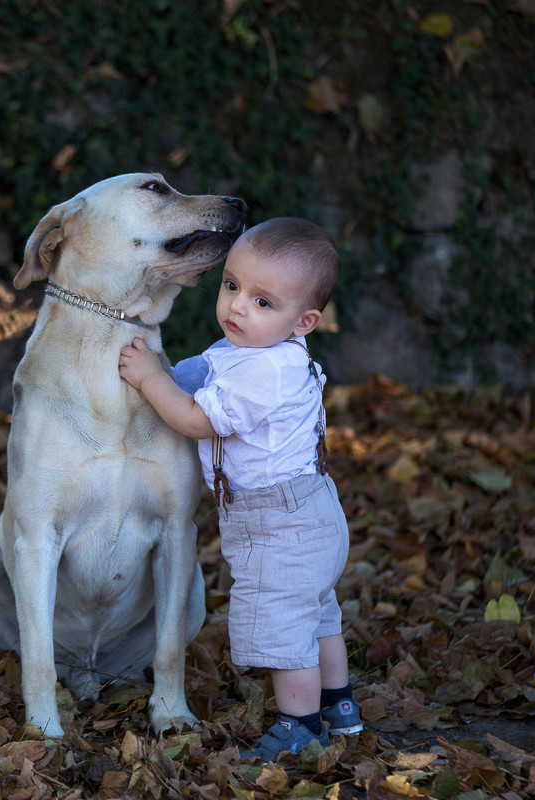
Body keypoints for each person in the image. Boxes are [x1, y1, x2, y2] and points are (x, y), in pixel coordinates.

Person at [117, 217, 361, 761]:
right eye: (231, 286)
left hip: (281, 523)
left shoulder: (268, 372)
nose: (238, 307)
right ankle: (340, 707)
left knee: (282, 627)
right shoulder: (247, 350)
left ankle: (301, 727)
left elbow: (197, 419)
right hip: (311, 510)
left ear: (305, 322)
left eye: (263, 301)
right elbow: (201, 374)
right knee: (318, 614)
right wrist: (164, 372)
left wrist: (149, 379)